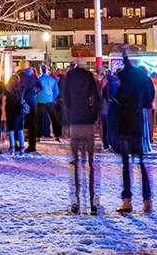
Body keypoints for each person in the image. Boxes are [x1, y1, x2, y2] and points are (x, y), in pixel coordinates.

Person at [111, 54, 155, 213]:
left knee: (126, 165)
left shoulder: (122, 90)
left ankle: (127, 200)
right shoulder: (141, 87)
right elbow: (148, 100)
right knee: (142, 164)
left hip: (124, 128)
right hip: (137, 126)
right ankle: (147, 199)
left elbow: (115, 106)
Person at [60, 58, 102, 214]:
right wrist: (93, 116)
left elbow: (66, 100)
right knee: (91, 163)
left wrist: (67, 120)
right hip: (87, 121)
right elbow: (95, 99)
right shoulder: (88, 76)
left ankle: (76, 200)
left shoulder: (69, 76)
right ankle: (92, 201)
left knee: (76, 163)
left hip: (75, 122)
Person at [4, 69, 29, 156]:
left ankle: (12, 148)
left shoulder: (7, 88)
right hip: (19, 109)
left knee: (11, 129)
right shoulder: (22, 87)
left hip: (10, 108)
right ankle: (22, 149)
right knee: (20, 129)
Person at [20, 66, 41, 152]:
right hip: (32, 102)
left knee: (20, 124)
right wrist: (35, 91)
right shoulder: (34, 76)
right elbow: (40, 87)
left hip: (22, 103)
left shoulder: (20, 76)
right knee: (31, 125)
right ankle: (32, 145)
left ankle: (19, 144)